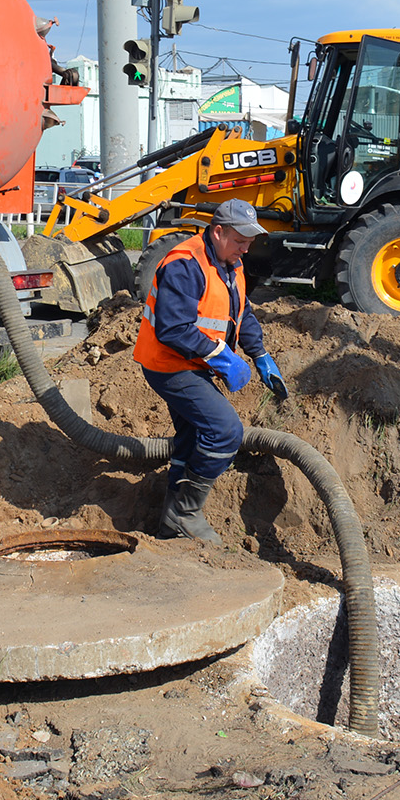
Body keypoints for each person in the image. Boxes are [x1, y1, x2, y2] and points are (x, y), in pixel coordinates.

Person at [133, 199, 289, 544]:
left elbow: (241, 313)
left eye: (249, 242)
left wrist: (260, 354)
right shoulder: (185, 264)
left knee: (191, 438)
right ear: (218, 232)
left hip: (193, 363)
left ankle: (170, 528)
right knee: (225, 431)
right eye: (240, 241)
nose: (245, 249)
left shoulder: (230, 264)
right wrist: (223, 358)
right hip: (168, 364)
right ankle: (186, 513)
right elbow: (173, 329)